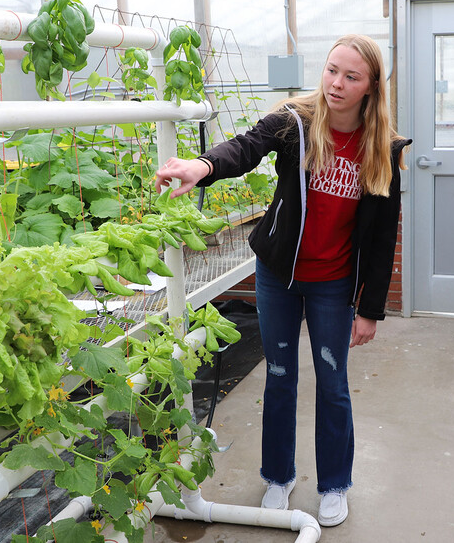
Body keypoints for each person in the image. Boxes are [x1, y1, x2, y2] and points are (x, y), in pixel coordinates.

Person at [153, 34, 410, 528]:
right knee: (278, 375)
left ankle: (335, 485)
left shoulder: (382, 148)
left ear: (371, 86)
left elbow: (382, 238)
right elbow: (245, 148)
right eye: (332, 70)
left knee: (333, 384)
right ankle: (278, 476)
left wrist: (370, 308)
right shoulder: (294, 123)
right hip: (277, 277)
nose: (336, 83)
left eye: (351, 76)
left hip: (334, 285)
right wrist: (201, 166)